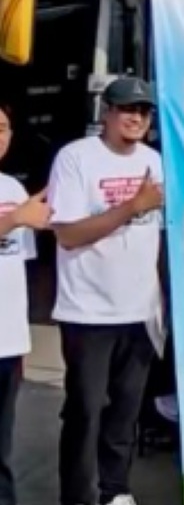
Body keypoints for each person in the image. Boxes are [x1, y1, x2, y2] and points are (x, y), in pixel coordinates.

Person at [48, 77, 165, 505]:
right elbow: (68, 235)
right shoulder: (76, 158)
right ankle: (77, 496)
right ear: (106, 112)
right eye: (127, 108)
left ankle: (115, 491)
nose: (137, 117)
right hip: (88, 312)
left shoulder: (155, 160)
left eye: (145, 111)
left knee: (125, 414)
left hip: (140, 311)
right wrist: (132, 207)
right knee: (85, 412)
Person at [0, 102, 53, 505]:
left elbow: (23, 266)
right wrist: (13, 220)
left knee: (2, 443)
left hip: (8, 341)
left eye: (2, 127)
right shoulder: (18, 205)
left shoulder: (14, 190)